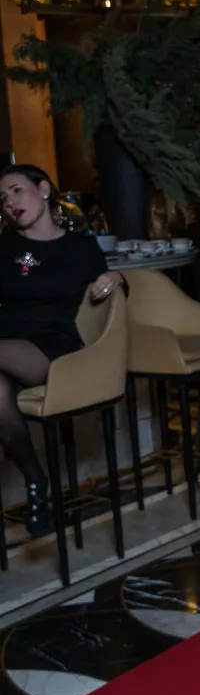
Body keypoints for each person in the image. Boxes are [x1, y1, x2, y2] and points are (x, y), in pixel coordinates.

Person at [0, 164, 122, 535]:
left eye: (17, 191)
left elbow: (113, 293)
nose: (10, 202)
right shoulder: (7, 247)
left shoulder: (79, 247)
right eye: (3, 198)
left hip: (52, 346)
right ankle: (36, 482)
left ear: (43, 189)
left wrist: (116, 276)